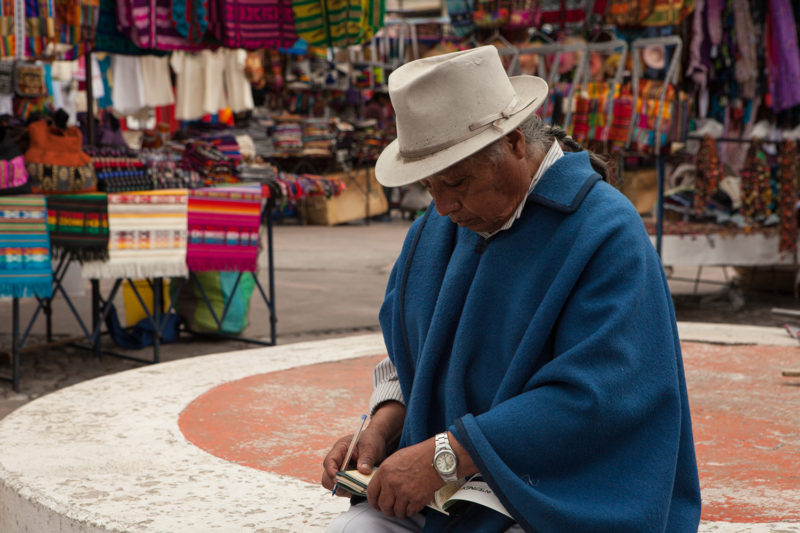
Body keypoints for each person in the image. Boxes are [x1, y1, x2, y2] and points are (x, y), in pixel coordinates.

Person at [321, 46, 701, 533]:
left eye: (457, 181)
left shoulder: (606, 232)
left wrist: (445, 455)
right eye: (429, 187)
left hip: (564, 493)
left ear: (516, 143)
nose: (443, 207)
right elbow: (412, 354)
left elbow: (600, 395)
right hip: (446, 493)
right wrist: (381, 426)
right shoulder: (435, 230)